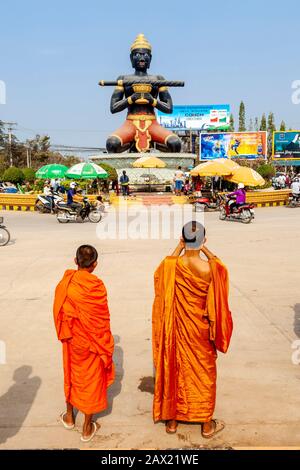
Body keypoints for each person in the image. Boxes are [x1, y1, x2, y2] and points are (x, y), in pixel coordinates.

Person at [152, 221, 233, 438]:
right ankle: (205, 423)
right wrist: (204, 249)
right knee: (204, 374)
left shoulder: (172, 266)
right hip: (201, 331)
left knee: (175, 371)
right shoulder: (211, 268)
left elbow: (160, 274)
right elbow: (221, 269)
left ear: (182, 239)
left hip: (177, 329)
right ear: (204, 240)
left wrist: (180, 248)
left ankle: (172, 421)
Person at [53, 245, 115, 442]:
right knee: (92, 380)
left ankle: (69, 416)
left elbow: (58, 312)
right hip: (94, 342)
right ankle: (87, 427)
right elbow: (102, 317)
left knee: (71, 374)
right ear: (95, 264)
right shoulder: (97, 286)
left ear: (75, 260)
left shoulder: (66, 283)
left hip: (73, 339)